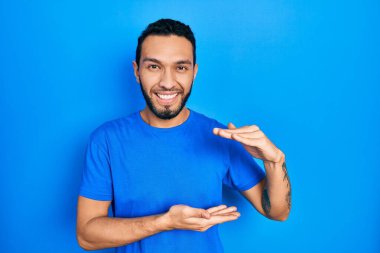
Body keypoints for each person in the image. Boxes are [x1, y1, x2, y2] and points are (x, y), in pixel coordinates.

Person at [76, 18, 291, 253]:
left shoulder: (220, 136)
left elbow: (277, 211)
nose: (167, 83)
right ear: (137, 71)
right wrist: (165, 221)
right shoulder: (106, 140)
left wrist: (275, 161)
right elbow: (87, 236)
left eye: (180, 67)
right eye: (154, 67)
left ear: (194, 72)